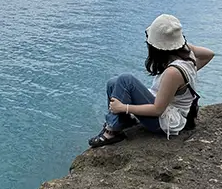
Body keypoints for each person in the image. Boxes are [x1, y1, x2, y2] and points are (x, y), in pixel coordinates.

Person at [89, 14, 214, 147]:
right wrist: (190, 71)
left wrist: (123, 107)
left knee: (126, 80)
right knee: (113, 83)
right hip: (162, 108)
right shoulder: (186, 52)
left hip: (165, 122)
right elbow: (209, 54)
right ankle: (122, 121)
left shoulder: (174, 72)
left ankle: (112, 131)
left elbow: (157, 110)